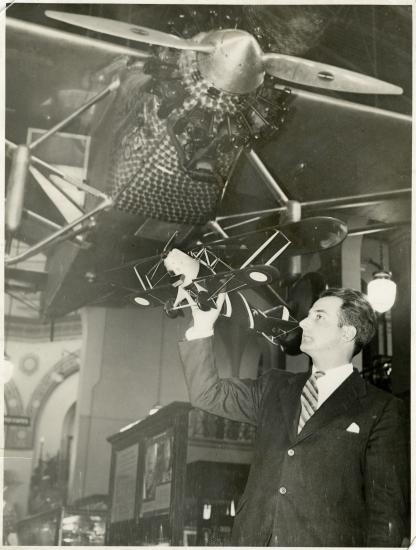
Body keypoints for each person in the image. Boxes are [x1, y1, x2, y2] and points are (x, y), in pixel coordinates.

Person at [178, 287, 409, 547]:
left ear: (347, 333)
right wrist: (202, 325)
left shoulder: (382, 408)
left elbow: (386, 513)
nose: (302, 322)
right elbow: (207, 394)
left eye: (318, 317)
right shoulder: (273, 386)